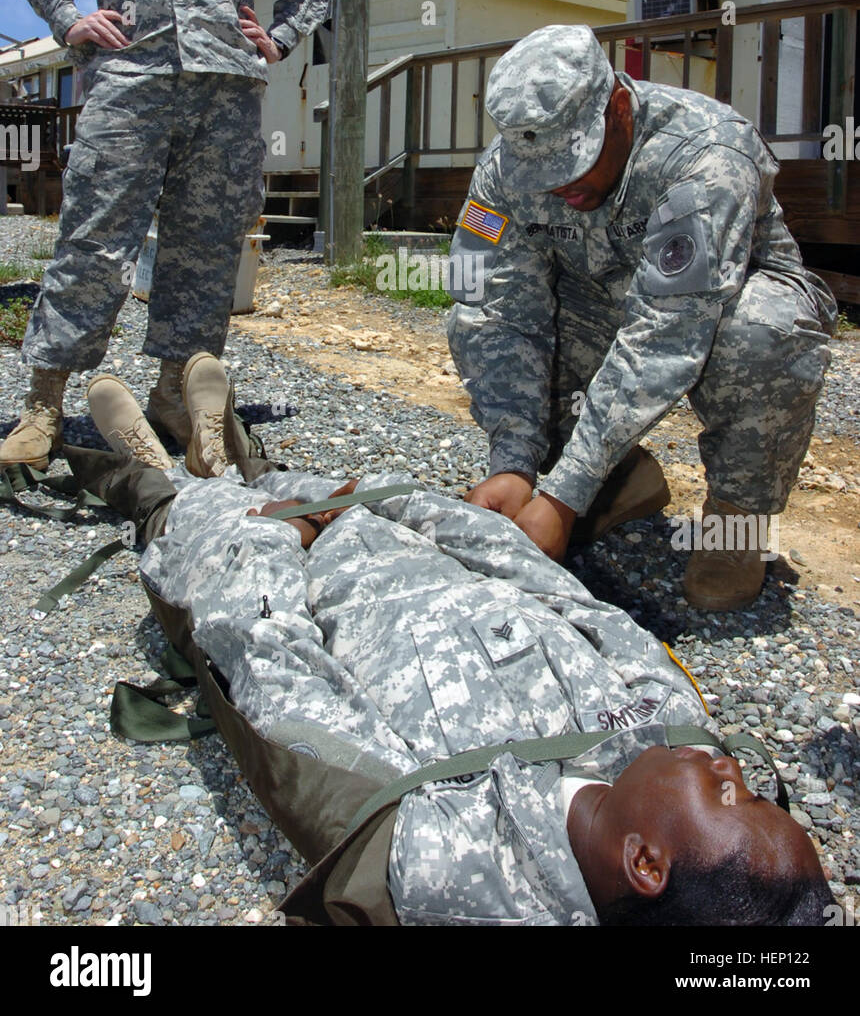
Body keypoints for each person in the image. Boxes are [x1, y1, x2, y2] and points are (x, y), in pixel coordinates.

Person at [66, 357, 833, 927]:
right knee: (302, 478)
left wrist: (280, 538)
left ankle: (160, 476)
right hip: (375, 532)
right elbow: (552, 590)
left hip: (289, 577)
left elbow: (274, 672)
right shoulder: (667, 727)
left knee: (198, 530)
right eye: (755, 790)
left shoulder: (452, 853)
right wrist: (399, 504)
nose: (732, 765)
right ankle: (231, 453)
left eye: (730, 796)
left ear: (644, 861)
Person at [1, 0, 331, 470]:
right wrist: (67, 16)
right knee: (93, 241)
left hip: (225, 97)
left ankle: (175, 397)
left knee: (206, 252)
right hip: (129, 83)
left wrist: (278, 37)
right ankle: (43, 407)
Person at [447, 25, 837, 611]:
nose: (558, 185)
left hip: (717, 305)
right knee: (481, 322)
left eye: (573, 161)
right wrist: (515, 462)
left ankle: (737, 522)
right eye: (541, 170)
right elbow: (494, 307)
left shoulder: (706, 152)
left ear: (621, 107)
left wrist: (563, 496)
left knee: (762, 331)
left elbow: (668, 329)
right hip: (604, 303)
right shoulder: (502, 169)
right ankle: (622, 480)